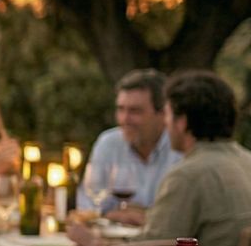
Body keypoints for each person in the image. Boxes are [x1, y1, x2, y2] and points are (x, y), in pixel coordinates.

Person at [68, 70, 251, 246]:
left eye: (168, 115)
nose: (166, 125)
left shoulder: (189, 174)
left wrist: (94, 243)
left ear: (182, 122)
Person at [77, 69, 182, 224]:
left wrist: (145, 217)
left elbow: (182, 214)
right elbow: (88, 204)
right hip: (113, 244)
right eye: (120, 109)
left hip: (163, 245)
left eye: (135, 111)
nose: (124, 119)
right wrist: (117, 215)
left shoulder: (180, 148)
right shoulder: (108, 143)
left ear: (162, 114)